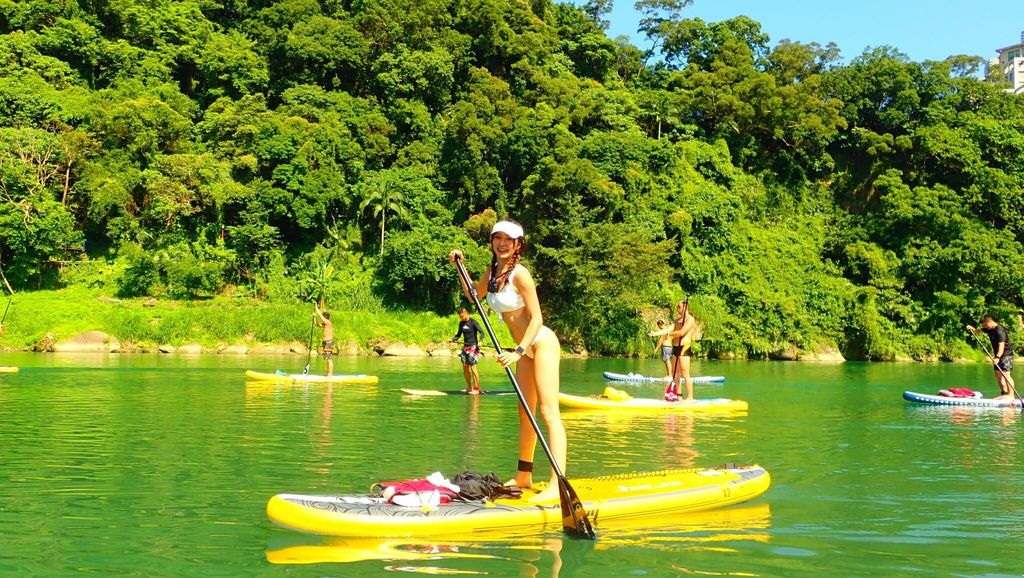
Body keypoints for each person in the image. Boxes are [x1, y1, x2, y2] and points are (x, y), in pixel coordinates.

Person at [449, 219, 565, 503]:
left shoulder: (521, 275)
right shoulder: (492, 273)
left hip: (539, 343)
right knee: (526, 413)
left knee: (549, 413)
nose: (502, 243)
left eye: (508, 239)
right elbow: (473, 296)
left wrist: (519, 351)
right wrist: (458, 266)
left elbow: (537, 318)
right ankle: (524, 474)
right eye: (497, 237)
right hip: (522, 349)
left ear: (518, 245)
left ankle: (557, 483)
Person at [648, 299, 698, 402]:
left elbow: (682, 332)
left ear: (685, 307)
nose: (677, 308)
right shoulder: (677, 320)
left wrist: (669, 334)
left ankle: (690, 397)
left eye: (679, 306)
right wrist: (654, 333)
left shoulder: (690, 319)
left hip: (684, 348)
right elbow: (667, 330)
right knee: (676, 374)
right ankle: (678, 396)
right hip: (675, 348)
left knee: (685, 373)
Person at [967, 316, 1016, 401]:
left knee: (1006, 374)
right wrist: (972, 329)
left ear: (989, 322)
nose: (985, 327)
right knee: (997, 374)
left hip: (1006, 355)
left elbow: (1002, 345)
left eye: (985, 325)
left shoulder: (999, 330)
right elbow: (978, 331)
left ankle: (1011, 396)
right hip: (998, 355)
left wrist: (997, 357)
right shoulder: (989, 329)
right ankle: (1004, 393)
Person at [450, 307, 484, 394]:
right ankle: (469, 387)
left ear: (466, 313)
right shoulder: (461, 323)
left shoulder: (473, 322)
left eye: (462, 316)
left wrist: (480, 341)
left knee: (473, 368)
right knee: (465, 367)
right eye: (460, 316)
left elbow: (482, 332)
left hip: (473, 347)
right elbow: (458, 335)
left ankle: (476, 388)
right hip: (465, 348)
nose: (461, 318)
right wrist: (452, 339)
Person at [313, 302, 335, 377]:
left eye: (323, 318)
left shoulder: (328, 322)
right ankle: (328, 373)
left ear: (326, 318)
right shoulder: (324, 324)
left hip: (328, 342)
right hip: (325, 342)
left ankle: (330, 374)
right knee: (327, 358)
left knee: (329, 359)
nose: (323, 320)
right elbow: (316, 324)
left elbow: (320, 315)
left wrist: (316, 307)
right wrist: (314, 317)